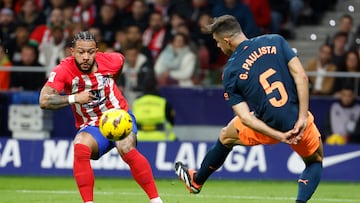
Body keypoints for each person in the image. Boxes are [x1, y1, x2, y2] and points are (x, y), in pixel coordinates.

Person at [174, 15, 323, 203]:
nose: (219, 47)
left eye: (218, 42)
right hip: (297, 121)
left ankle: (196, 181)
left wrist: (278, 136)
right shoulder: (275, 41)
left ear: (227, 40)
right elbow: (301, 77)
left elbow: (245, 118)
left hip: (267, 125)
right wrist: (302, 117)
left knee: (226, 136)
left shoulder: (230, 72)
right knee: (314, 161)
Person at [39, 31, 163, 203]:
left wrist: (112, 83)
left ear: (96, 51)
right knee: (80, 146)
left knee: (126, 147)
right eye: (81, 52)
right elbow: (44, 100)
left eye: (90, 52)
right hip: (91, 125)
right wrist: (75, 98)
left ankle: (156, 200)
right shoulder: (63, 70)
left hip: (118, 115)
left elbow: (119, 63)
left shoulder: (112, 60)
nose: (86, 57)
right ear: (72, 52)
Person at [132, 72, 176, 141]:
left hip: (139, 139)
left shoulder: (136, 103)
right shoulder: (163, 103)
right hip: (162, 139)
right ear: (157, 86)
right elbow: (172, 122)